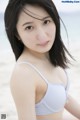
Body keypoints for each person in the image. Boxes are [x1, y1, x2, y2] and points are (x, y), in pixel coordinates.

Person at [4, 0, 80, 120]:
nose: (42, 36)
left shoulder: (47, 56)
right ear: (17, 34)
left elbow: (62, 97)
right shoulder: (23, 74)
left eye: (46, 21)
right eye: (29, 27)